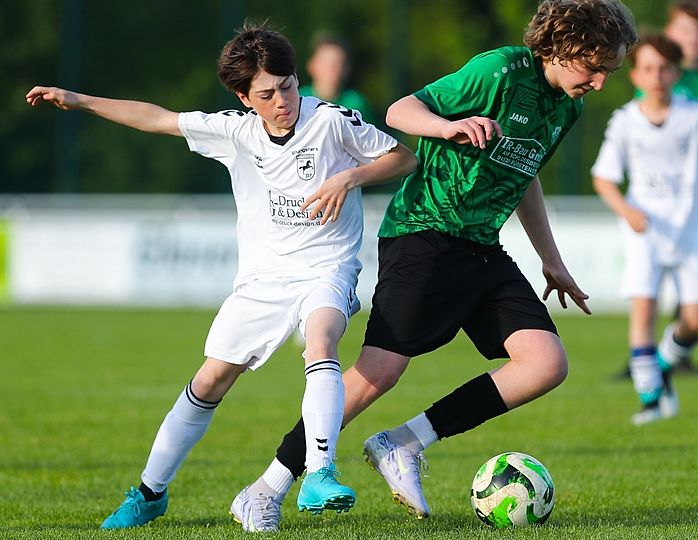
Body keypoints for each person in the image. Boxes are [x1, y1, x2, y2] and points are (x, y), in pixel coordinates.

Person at [229, 0, 638, 530]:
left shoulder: (567, 107)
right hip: (423, 233)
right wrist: (448, 127)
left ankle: (403, 443)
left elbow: (525, 173)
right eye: (595, 67)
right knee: (377, 375)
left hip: (480, 246)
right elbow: (401, 111)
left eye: (610, 72)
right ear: (563, 47)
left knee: (545, 363)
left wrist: (551, 259)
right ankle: (265, 488)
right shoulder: (499, 70)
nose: (601, 82)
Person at [25, 22, 417, 530]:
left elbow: (402, 157)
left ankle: (320, 473)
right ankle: (149, 493)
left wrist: (351, 175)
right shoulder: (235, 132)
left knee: (322, 339)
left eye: (288, 86)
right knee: (210, 379)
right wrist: (77, 100)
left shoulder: (332, 120)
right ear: (243, 97)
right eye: (266, 94)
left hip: (327, 266)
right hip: (263, 280)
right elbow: (157, 118)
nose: (282, 101)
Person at [591, 33, 698, 426]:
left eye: (664, 69)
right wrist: (626, 210)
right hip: (645, 232)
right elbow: (603, 178)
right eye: (648, 69)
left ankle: (663, 365)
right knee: (644, 309)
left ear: (676, 74)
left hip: (693, 231)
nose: (657, 77)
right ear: (635, 75)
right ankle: (649, 399)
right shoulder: (625, 121)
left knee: (695, 320)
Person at [616, 0, 698, 380]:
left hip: (697, 201)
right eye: (683, 29)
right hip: (652, 209)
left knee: (693, 302)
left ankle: (671, 358)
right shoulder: (653, 82)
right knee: (645, 296)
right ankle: (645, 370)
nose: (691, 38)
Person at [300, 34, 375, 124]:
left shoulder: (358, 104)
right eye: (325, 61)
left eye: (338, 62)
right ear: (311, 66)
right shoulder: (299, 100)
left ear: (347, 68)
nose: (331, 67)